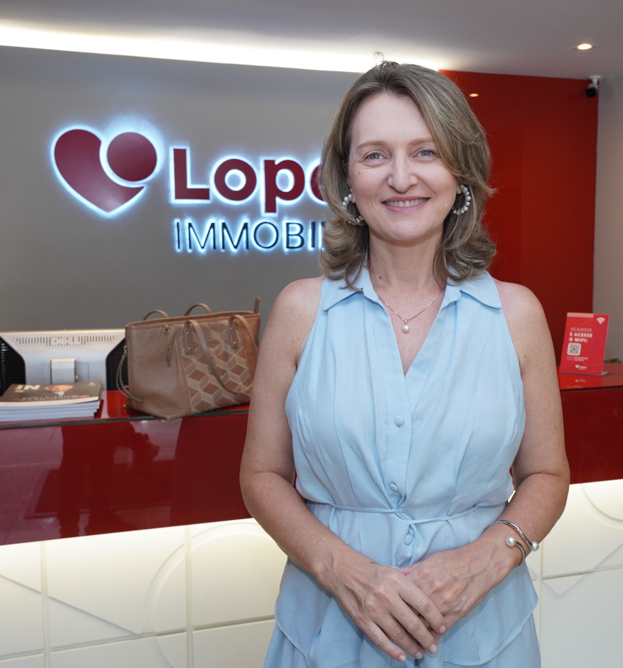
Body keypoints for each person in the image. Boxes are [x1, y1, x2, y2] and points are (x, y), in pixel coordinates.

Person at [239, 61, 569, 667]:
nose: (400, 177)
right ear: (346, 176)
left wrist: (488, 558)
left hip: (483, 634)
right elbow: (261, 475)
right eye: (375, 155)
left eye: (425, 151)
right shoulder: (299, 311)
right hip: (329, 633)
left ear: (459, 171)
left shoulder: (517, 314)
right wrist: (343, 571)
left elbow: (547, 475)